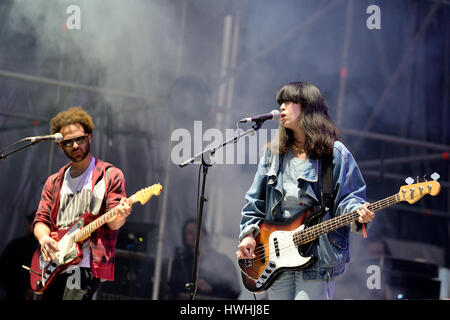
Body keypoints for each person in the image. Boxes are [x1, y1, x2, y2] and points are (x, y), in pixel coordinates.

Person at [235, 81, 375, 300]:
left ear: (308, 108)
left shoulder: (335, 154)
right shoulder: (274, 153)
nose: (282, 107)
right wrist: (249, 236)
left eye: (289, 102)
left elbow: (350, 198)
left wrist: (359, 212)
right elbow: (255, 201)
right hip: (276, 256)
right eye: (281, 102)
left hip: (318, 256)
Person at [33, 106, 132, 300]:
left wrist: (121, 214)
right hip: (53, 264)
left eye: (80, 139)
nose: (75, 145)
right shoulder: (54, 182)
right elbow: (41, 220)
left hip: (84, 263)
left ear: (90, 137)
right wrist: (44, 239)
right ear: (60, 146)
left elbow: (114, 223)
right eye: (69, 142)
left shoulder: (109, 175)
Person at [169, 218, 241, 300]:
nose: (194, 234)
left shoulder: (222, 261)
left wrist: (212, 289)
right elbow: (173, 287)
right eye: (190, 232)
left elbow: (234, 290)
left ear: (204, 234)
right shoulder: (180, 262)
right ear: (185, 238)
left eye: (197, 230)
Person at [0, 213, 39, 300]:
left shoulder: (16, 245)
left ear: (31, 225)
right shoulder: (51, 248)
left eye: (26, 226)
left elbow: (3, 272)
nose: (25, 229)